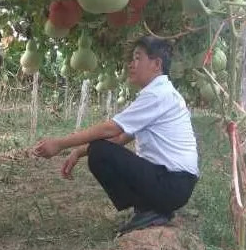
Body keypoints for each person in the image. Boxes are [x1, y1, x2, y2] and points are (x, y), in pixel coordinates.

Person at [33, 36, 198, 234]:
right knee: (99, 149)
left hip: (171, 183)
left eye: (138, 58)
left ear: (156, 64)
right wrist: (78, 152)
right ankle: (149, 209)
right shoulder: (163, 93)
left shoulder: (157, 95)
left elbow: (111, 130)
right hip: (175, 184)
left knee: (100, 152)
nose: (131, 64)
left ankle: (150, 210)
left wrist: (60, 143)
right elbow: (120, 139)